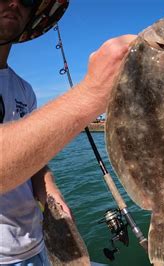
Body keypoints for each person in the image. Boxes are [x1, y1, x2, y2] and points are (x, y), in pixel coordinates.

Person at [0, 0, 136, 264]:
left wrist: (50, 191)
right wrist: (92, 93)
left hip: (35, 245)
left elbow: (33, 162)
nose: (15, 2)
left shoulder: (23, 89)